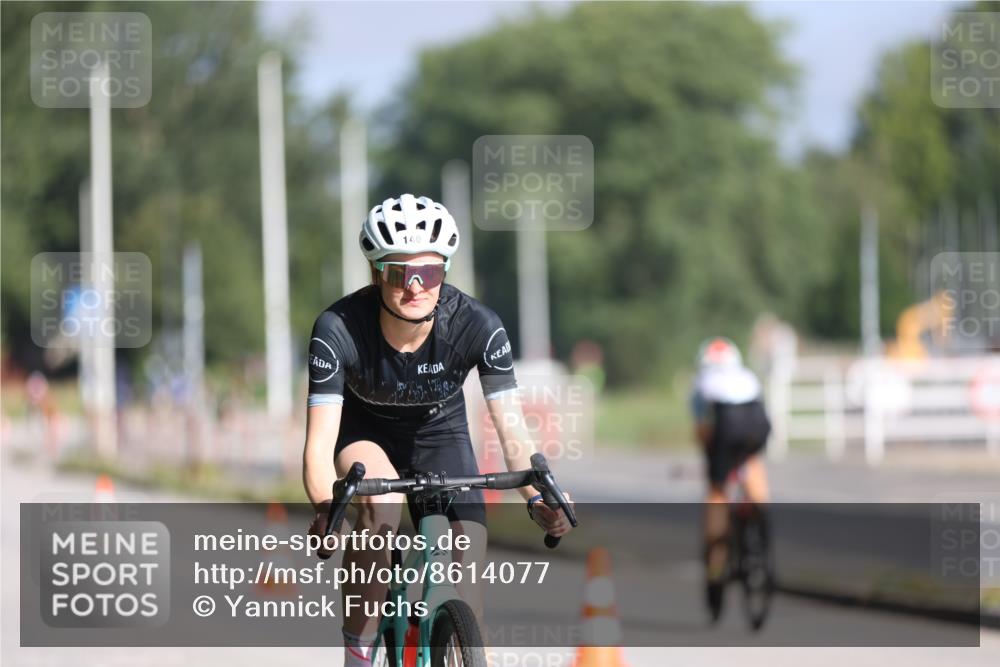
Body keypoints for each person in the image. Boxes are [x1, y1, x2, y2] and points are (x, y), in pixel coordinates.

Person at [302, 194, 574, 666]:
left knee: (469, 572)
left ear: (444, 271)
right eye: (397, 274)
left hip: (439, 434)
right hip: (365, 433)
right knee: (379, 510)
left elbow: (513, 432)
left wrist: (537, 497)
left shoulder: (478, 324)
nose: (414, 288)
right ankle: (358, 652)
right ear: (375, 274)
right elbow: (318, 446)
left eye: (427, 274)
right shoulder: (337, 328)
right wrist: (328, 510)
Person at [690, 336, 771, 619]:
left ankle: (716, 566)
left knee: (717, 495)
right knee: (752, 466)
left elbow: (702, 430)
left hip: (725, 429)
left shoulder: (701, 382)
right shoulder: (747, 376)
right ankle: (761, 523)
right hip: (756, 428)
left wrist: (713, 465)